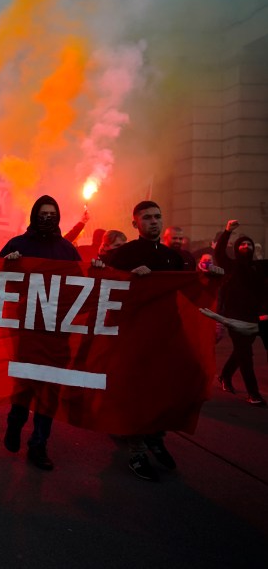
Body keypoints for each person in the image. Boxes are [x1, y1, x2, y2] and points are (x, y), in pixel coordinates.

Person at [107, 200, 224, 481]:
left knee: (166, 388)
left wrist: (211, 280)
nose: (154, 221)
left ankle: (156, 437)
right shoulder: (124, 254)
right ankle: (137, 451)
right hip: (134, 335)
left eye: (157, 217)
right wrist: (129, 277)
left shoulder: (174, 256)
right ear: (135, 223)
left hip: (167, 334)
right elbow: (105, 284)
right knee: (137, 393)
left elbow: (188, 291)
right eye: (146, 218)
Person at [0, 195, 81, 471]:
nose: (47, 218)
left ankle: (39, 444)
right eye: (43, 213)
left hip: (58, 331)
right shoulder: (18, 244)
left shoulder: (68, 250)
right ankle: (15, 424)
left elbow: (83, 285)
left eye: (52, 213)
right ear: (35, 215)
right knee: (25, 385)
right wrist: (7, 262)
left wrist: (99, 270)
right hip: (28, 329)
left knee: (50, 391)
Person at [212, 220, 267, 405]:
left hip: (258, 317)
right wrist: (227, 231)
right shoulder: (230, 265)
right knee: (245, 355)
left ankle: (225, 376)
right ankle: (254, 393)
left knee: (241, 352)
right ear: (236, 248)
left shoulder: (259, 267)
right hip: (236, 318)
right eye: (242, 244)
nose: (246, 246)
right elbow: (219, 252)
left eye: (249, 244)